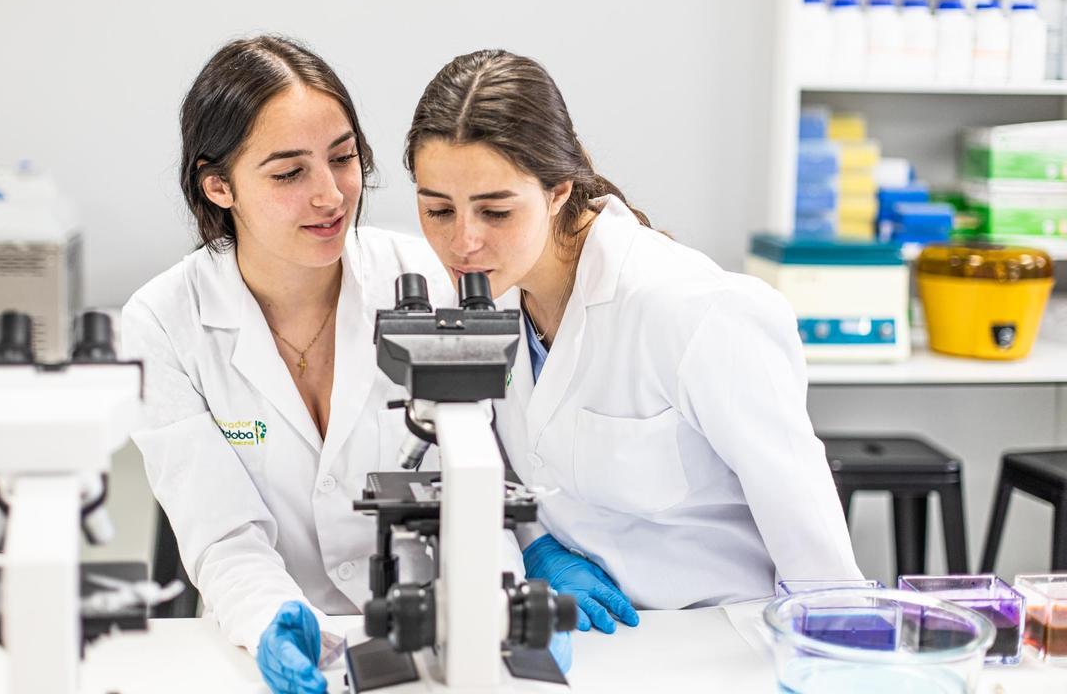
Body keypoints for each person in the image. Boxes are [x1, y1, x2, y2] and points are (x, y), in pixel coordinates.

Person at [121, 36, 558, 694]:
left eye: (343, 158)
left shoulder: (429, 278)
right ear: (219, 185)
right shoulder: (161, 324)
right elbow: (224, 532)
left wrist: (497, 605)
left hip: (438, 636)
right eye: (289, 174)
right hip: (273, 642)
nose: (331, 196)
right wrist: (273, 621)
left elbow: (479, 486)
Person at [401, 49, 862, 627]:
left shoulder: (692, 311)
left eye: (495, 212)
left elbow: (816, 554)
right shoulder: (489, 294)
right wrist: (537, 545)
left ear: (558, 190)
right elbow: (505, 462)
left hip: (720, 634)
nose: (463, 242)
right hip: (592, 631)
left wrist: (834, 647)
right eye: (438, 210)